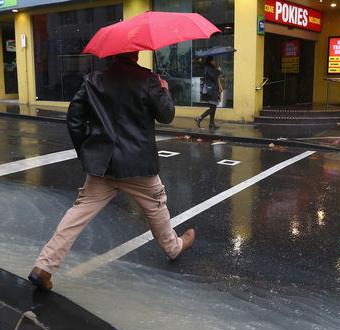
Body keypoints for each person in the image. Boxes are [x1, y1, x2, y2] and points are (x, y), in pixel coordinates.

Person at [28, 52, 196, 291]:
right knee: (157, 208)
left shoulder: (93, 80)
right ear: (136, 53)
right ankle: (174, 247)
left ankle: (44, 266)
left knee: (77, 215)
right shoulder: (147, 79)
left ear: (112, 54)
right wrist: (164, 89)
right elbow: (166, 115)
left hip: (102, 166)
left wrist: (88, 152)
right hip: (138, 165)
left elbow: (74, 119)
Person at [195, 56, 223, 130]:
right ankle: (199, 118)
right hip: (211, 90)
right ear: (210, 61)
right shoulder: (208, 68)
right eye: (213, 60)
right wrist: (218, 70)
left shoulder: (211, 68)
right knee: (213, 107)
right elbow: (213, 77)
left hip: (213, 90)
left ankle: (211, 124)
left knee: (213, 107)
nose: (214, 62)